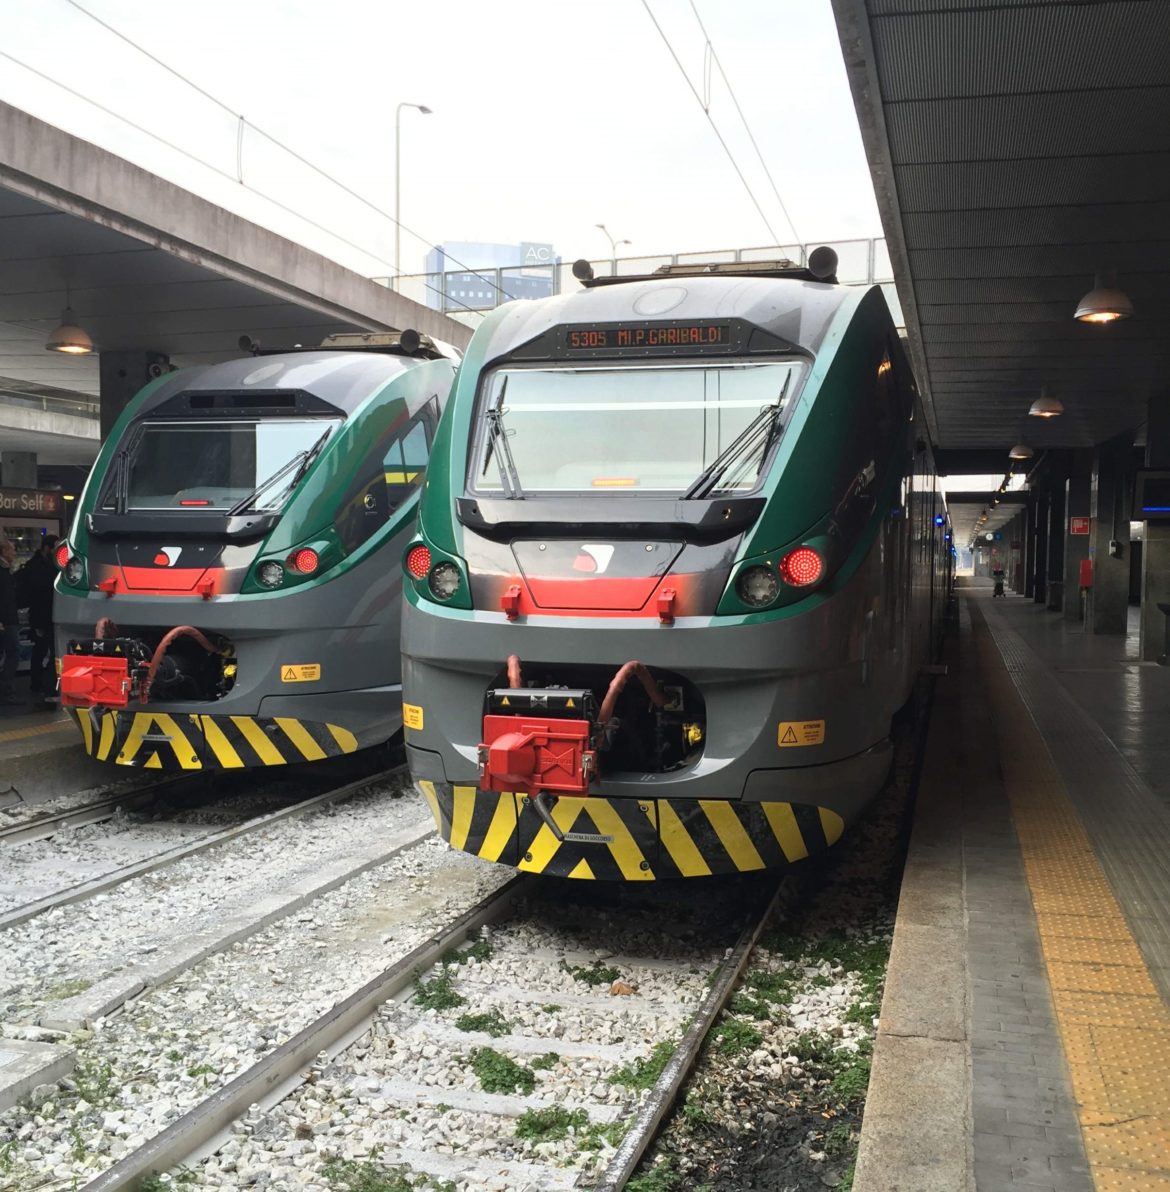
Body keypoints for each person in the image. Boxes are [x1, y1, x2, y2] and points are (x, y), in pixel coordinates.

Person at [20, 534, 58, 703]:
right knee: (42, 650)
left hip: (48, 615)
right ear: (47, 548)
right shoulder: (37, 567)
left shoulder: (42, 565)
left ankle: (41, 684)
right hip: (42, 616)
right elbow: (37, 593)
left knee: (43, 650)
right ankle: (41, 684)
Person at [0, 535, 21, 708]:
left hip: (8, 620)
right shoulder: (2, 571)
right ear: (4, 551)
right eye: (12, 549)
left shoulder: (6, 570)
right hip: (6, 621)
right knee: (13, 653)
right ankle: (8, 691)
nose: (15, 552)